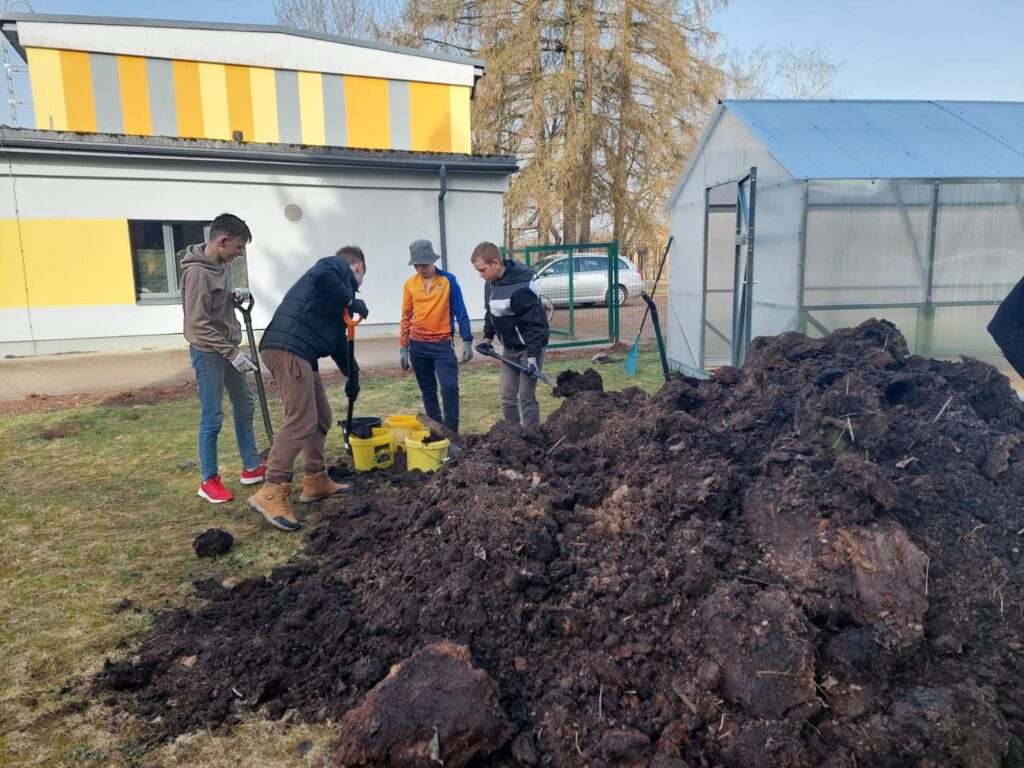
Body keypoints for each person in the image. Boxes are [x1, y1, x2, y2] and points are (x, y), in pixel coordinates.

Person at [247, 246, 369, 532]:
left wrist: (353, 376)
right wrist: (351, 299)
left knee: (321, 417)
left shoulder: (334, 297)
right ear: (360, 267)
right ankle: (271, 490)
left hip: (302, 353)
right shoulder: (336, 266)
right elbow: (323, 272)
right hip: (289, 348)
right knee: (300, 421)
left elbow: (338, 342)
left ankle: (315, 480)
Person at [180, 213, 264, 504]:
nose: (240, 254)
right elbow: (198, 324)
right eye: (238, 247)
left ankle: (251, 466)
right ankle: (209, 480)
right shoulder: (197, 274)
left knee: (245, 406)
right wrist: (232, 354)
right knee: (213, 416)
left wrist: (232, 297)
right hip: (208, 354)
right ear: (223, 241)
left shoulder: (221, 265)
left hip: (229, 349)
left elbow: (215, 305)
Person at [470, 241, 550, 427]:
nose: (481, 275)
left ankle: (532, 436)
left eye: (482, 270)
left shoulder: (521, 287)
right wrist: (487, 338)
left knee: (526, 397)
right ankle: (512, 435)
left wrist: (532, 358)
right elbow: (490, 312)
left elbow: (534, 325)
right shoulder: (490, 284)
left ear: (496, 263)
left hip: (529, 348)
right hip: (509, 348)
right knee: (507, 396)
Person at [399, 239, 474, 434]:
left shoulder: (448, 280)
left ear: (432, 260)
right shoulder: (410, 284)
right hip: (417, 346)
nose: (420, 269)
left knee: (449, 387)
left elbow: (460, 311)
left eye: (423, 264)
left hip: (442, 344)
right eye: (416, 265)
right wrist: (404, 346)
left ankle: (452, 432)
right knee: (428, 390)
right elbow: (406, 315)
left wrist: (467, 340)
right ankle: (437, 431)